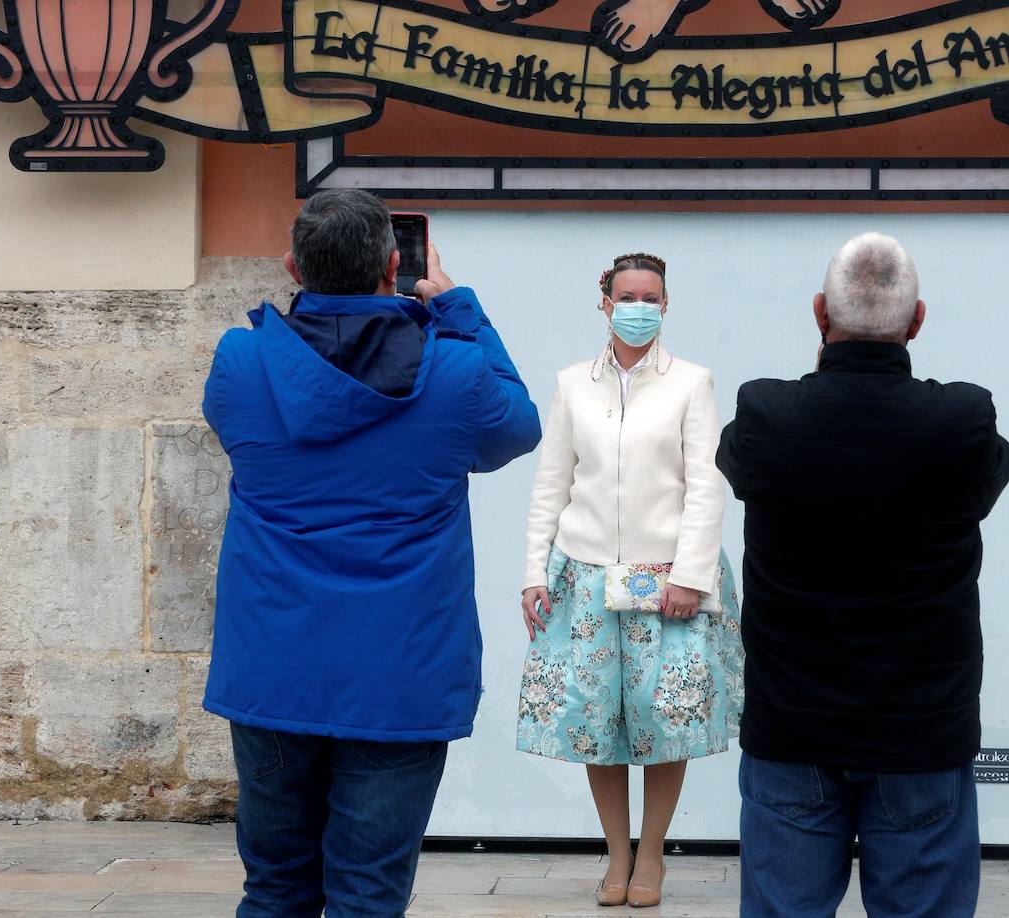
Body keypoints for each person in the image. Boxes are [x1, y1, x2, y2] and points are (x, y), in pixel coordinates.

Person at [201, 189, 541, 917]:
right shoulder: (451, 373)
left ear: (293, 264)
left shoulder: (240, 361)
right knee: (368, 895)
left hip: (273, 667)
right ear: (396, 264)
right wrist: (458, 307)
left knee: (275, 889)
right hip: (400, 673)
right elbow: (518, 428)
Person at [717, 233, 1009, 918]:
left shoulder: (767, 414)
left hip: (792, 728)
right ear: (917, 322)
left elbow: (741, 464)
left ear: (819, 313)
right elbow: (987, 480)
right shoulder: (962, 419)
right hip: (921, 731)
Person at [516, 253, 744, 909]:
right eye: (626, 294)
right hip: (585, 577)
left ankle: (653, 853)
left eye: (651, 295)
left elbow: (706, 486)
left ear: (666, 305)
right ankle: (616, 853)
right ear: (605, 302)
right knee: (598, 719)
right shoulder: (571, 383)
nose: (638, 305)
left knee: (662, 717)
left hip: (667, 577)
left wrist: (694, 575)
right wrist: (536, 570)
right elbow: (550, 487)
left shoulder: (691, 382)